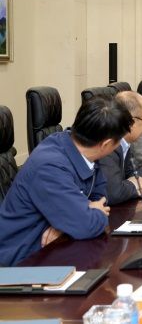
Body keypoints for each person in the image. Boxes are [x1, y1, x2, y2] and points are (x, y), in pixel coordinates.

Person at [0, 97, 131, 266]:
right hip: (22, 262)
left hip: (53, 250)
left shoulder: (82, 151)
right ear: (106, 144)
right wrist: (76, 218)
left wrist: (67, 224)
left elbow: (101, 199)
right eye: (118, 142)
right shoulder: (49, 166)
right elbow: (87, 225)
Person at [99, 91, 142, 205]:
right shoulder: (108, 143)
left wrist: (132, 181)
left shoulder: (126, 142)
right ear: (132, 122)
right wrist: (133, 184)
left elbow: (140, 170)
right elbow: (114, 193)